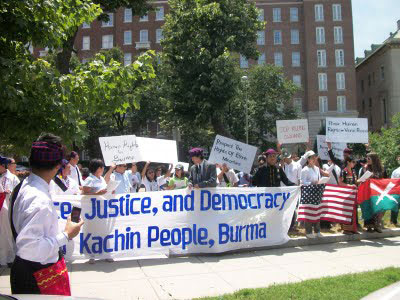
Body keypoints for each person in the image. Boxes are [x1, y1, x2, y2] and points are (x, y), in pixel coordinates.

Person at [9, 133, 83, 295]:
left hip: (27, 271)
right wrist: (67, 234)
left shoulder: (24, 186)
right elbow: (31, 249)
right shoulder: (39, 200)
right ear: (57, 166)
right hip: (37, 275)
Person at [300, 151, 330, 239]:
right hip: (308, 194)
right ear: (308, 159)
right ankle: (308, 231)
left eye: (314, 157)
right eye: (312, 158)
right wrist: (312, 183)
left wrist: (321, 181)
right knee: (309, 212)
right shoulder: (304, 169)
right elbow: (302, 182)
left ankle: (317, 231)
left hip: (317, 193)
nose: (314, 159)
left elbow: (319, 179)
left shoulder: (317, 169)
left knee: (317, 211)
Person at [359, 152, 388, 233]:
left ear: (374, 159)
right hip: (367, 191)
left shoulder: (382, 169)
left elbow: (385, 180)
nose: (367, 160)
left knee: (378, 209)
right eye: (367, 158)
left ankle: (377, 225)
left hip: (378, 192)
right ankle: (369, 226)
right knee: (368, 208)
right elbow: (360, 179)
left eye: (369, 158)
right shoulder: (364, 168)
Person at [0, 156, 20, 267]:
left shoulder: (12, 178)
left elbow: (18, 194)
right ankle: (2, 258)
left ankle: (10, 258)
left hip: (8, 211)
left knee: (8, 235)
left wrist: (9, 193)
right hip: (1, 211)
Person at [390, 155, 400, 225]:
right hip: (397, 192)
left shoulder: (395, 171)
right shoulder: (395, 171)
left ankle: (393, 221)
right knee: (395, 207)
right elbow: (392, 182)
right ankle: (393, 221)